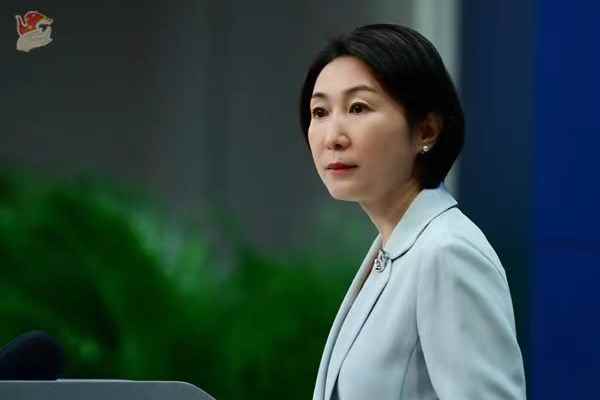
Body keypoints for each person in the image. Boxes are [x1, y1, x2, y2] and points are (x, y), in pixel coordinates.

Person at [298, 24, 526, 400]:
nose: (332, 137)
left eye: (358, 108)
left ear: (426, 131)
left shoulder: (446, 252)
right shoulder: (394, 248)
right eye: (320, 112)